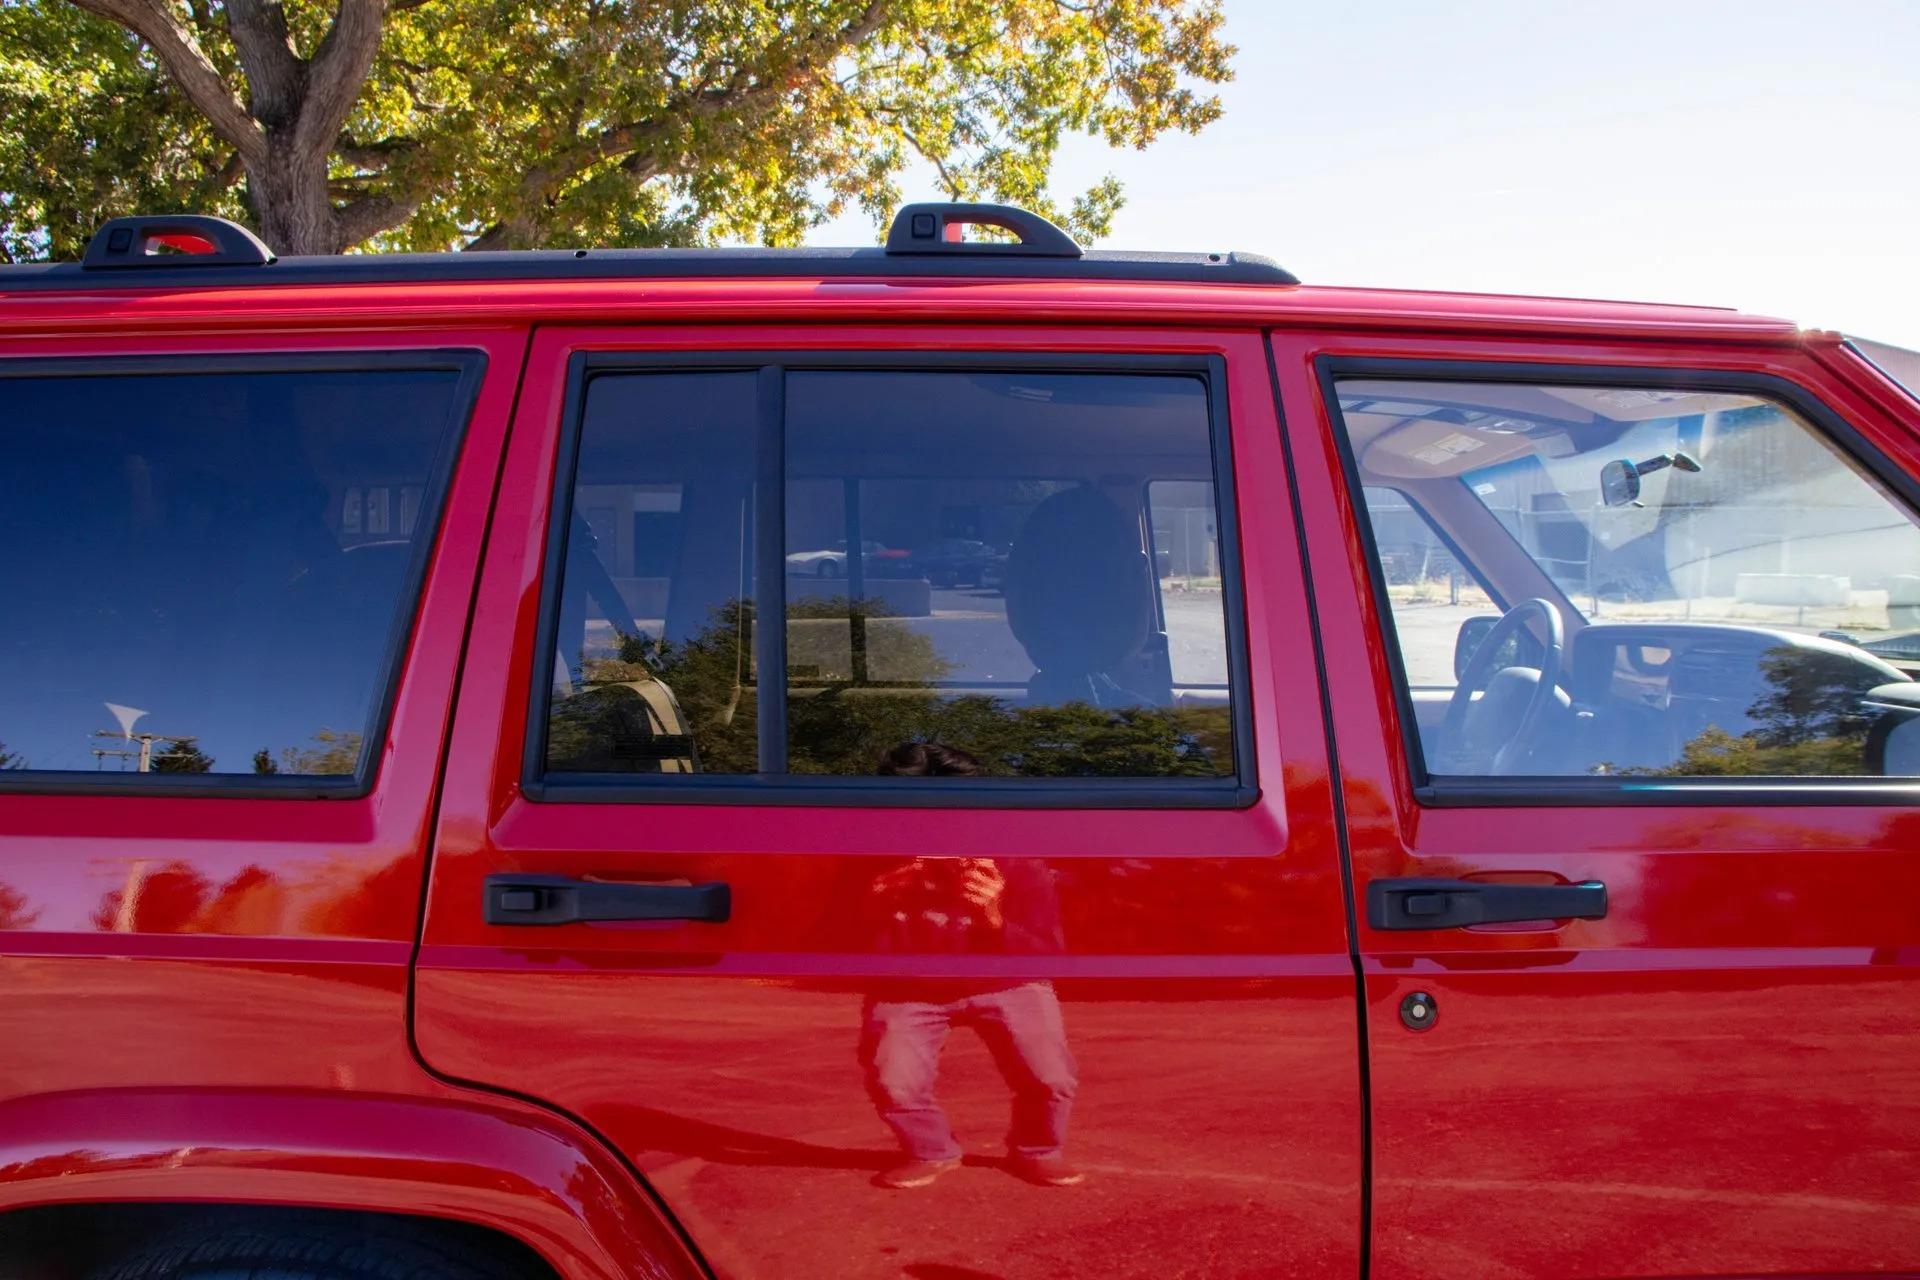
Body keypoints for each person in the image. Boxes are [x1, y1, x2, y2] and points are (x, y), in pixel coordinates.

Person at [859, 742, 1082, 1190]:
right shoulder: (869, 859)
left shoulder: (1018, 859)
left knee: (1051, 1078)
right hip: (907, 984)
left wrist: (994, 917)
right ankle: (931, 1150)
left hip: (1008, 979)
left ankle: (1038, 1149)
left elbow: (1049, 951)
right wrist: (874, 898)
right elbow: (828, 940)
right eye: (915, 814)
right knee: (895, 1082)